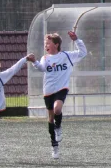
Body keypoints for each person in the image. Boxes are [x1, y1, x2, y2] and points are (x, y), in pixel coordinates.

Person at [31, 30, 87, 159]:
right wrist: (34, 61)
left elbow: (83, 53)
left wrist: (77, 40)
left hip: (62, 88)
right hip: (48, 90)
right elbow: (42, 68)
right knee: (50, 119)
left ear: (56, 44)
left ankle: (59, 126)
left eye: (48, 43)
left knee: (57, 108)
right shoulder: (45, 58)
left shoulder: (66, 56)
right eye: (45, 44)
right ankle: (54, 146)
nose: (46, 46)